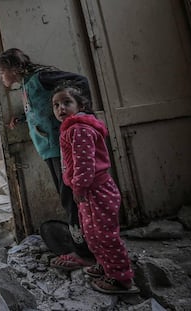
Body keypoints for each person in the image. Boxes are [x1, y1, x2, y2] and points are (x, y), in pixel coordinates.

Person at [0, 48, 94, 269]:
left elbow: (80, 80)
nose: (1, 77)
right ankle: (84, 245)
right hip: (50, 148)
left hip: (61, 149)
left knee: (71, 199)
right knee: (67, 197)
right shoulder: (27, 84)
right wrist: (21, 118)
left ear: (14, 69)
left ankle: (84, 252)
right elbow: (40, 108)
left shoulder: (41, 77)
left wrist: (84, 113)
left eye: (2, 71)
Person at [51, 83, 139, 294]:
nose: (60, 108)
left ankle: (121, 278)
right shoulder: (71, 128)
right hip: (88, 191)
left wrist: (79, 187)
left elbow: (84, 163)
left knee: (104, 235)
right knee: (91, 233)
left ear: (80, 105)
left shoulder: (79, 129)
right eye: (56, 105)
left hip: (95, 190)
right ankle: (105, 264)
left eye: (66, 103)